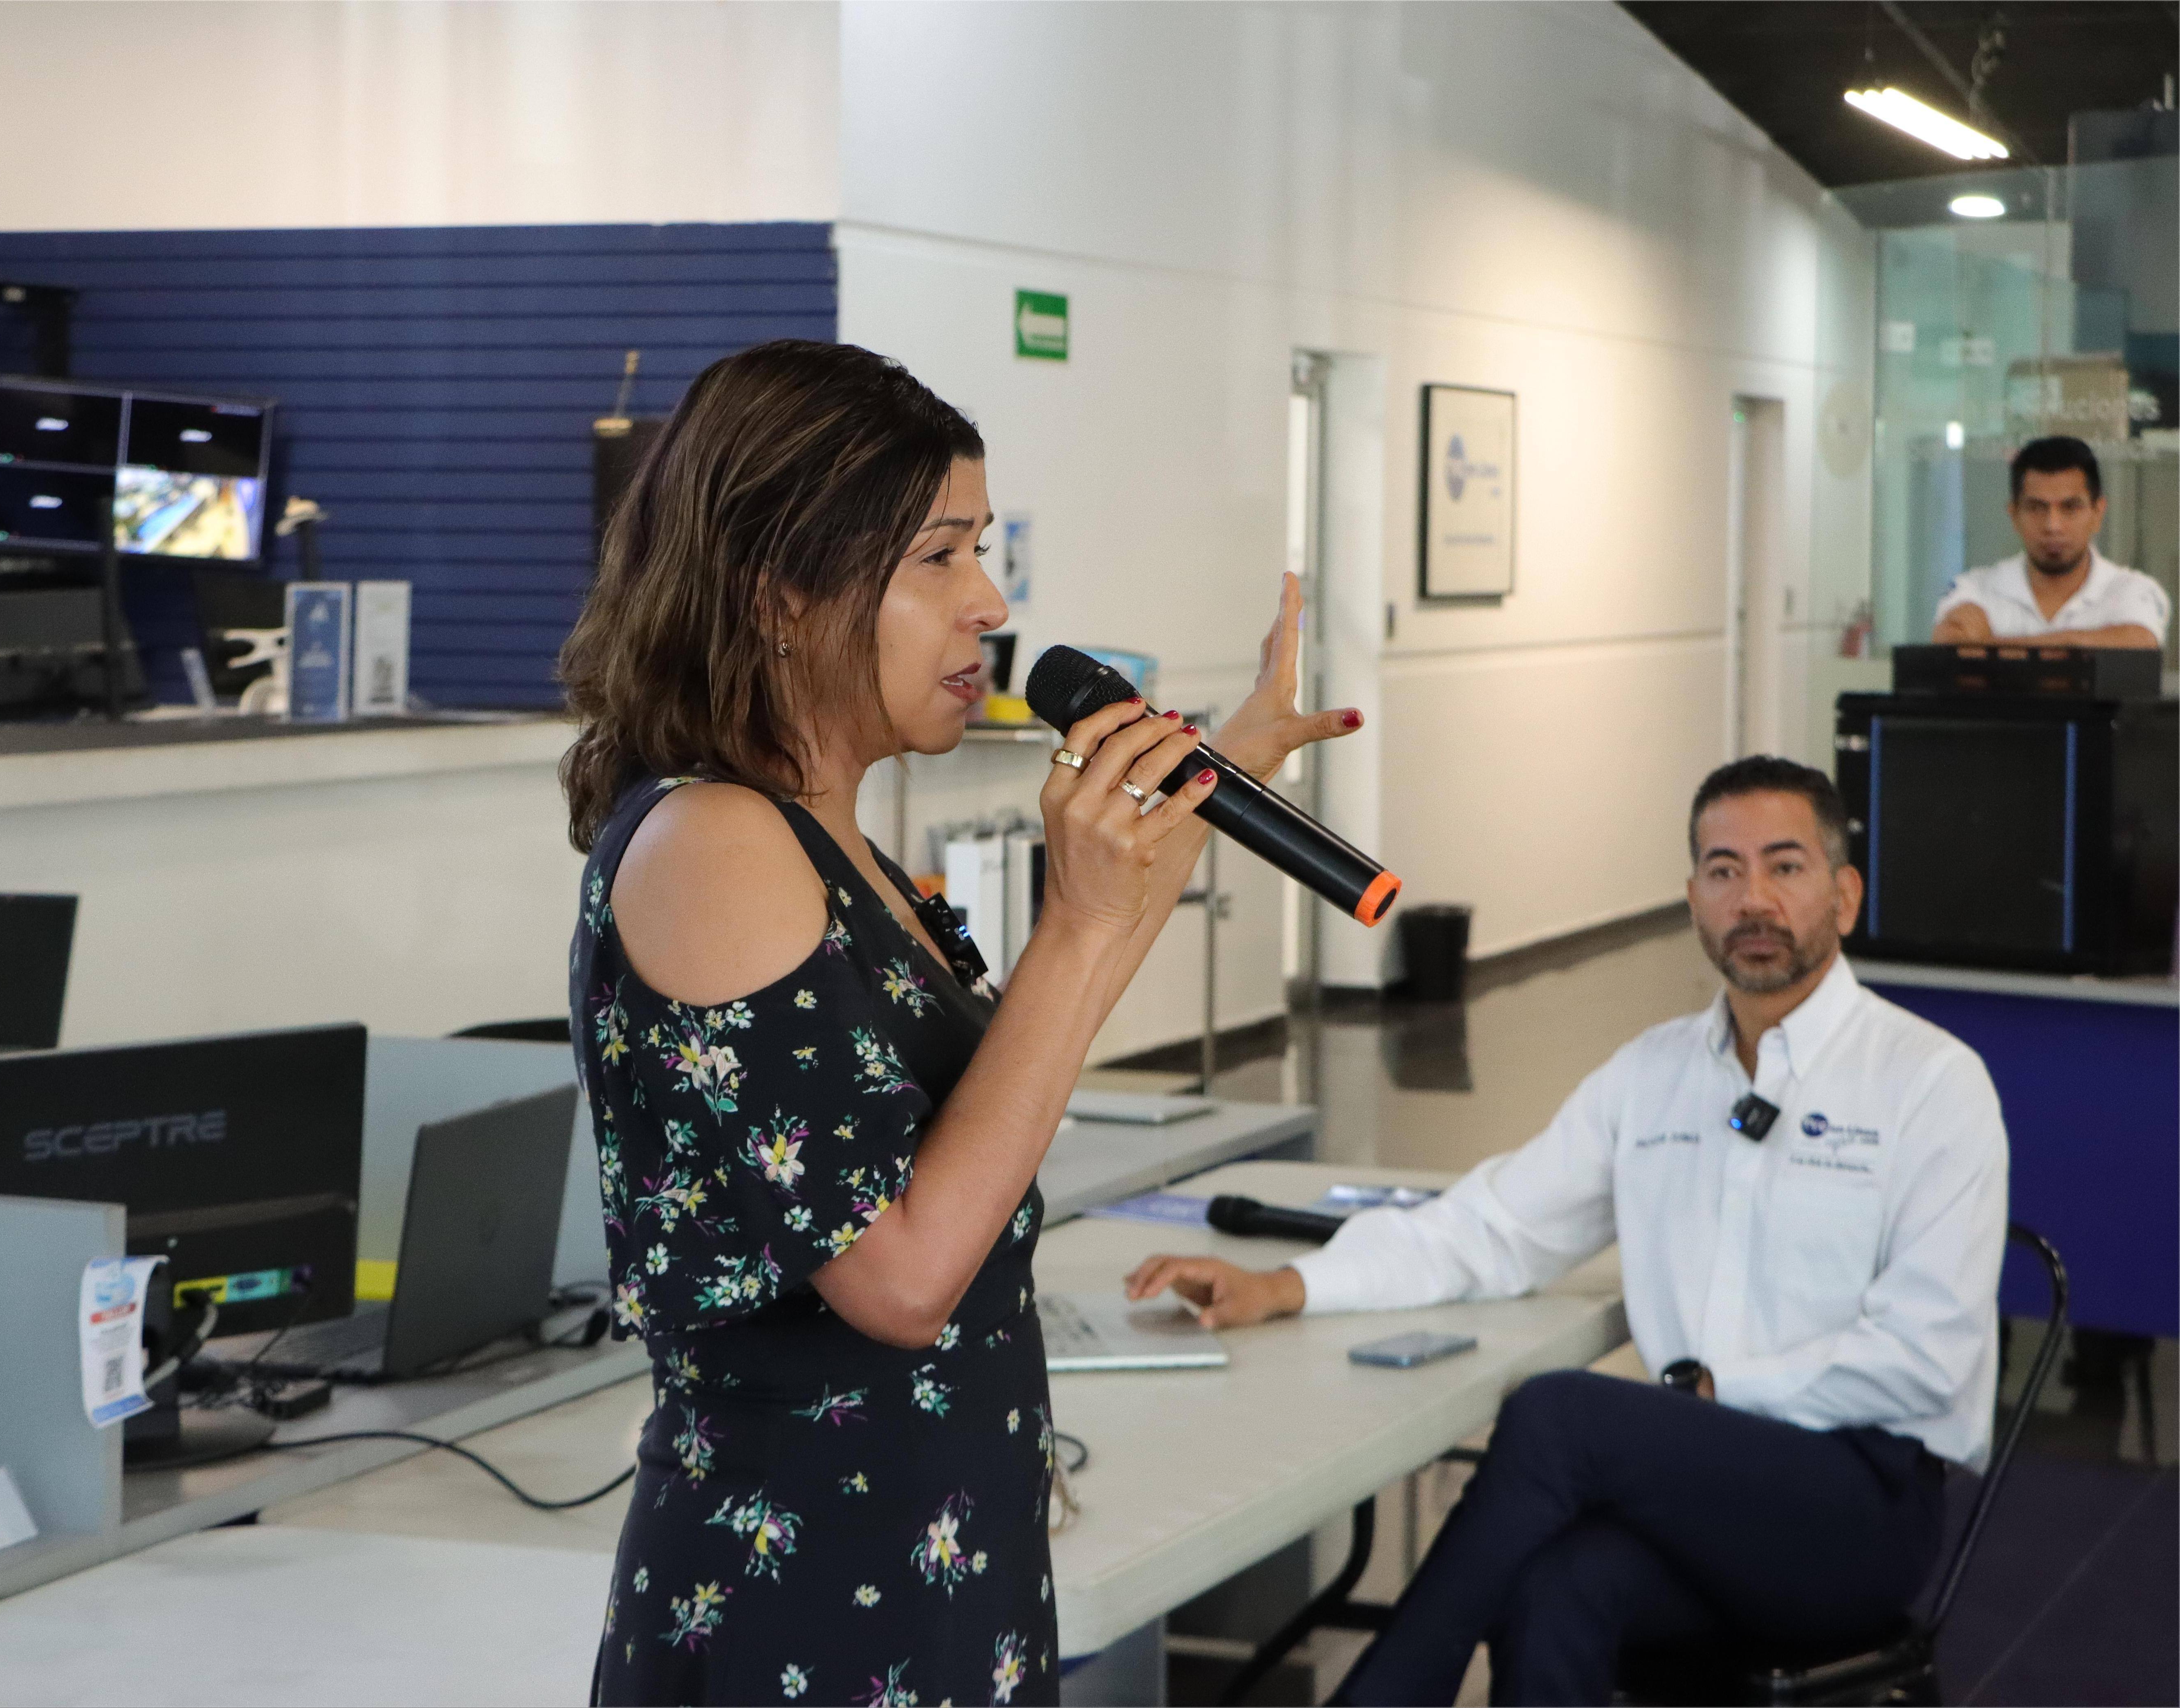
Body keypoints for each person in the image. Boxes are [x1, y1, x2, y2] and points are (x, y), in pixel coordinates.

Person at [557, 338, 1361, 1707]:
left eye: (976, 549)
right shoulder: (714, 844)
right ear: (782, 596)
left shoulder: (827, 840)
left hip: (924, 1573)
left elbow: (1015, 1069)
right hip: (803, 1604)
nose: (987, 600)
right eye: (936, 557)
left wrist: (1198, 785)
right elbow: (899, 1273)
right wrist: (1074, 922)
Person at [1127, 756, 2010, 1706]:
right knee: (1555, 1589)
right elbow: (1492, 1225)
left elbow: (1930, 1354)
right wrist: (1287, 1286)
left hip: (1856, 1505)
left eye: (1784, 866)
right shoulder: (1654, 1074)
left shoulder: (1928, 1080)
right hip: (1695, 1484)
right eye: (1721, 869)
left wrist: (1714, 1388)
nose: (1751, 897)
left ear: (1843, 892)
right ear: (1690, 898)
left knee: (1563, 1414)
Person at [1930, 435, 2168, 649]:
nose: (2053, 526)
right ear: (2014, 515)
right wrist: (2082, 650)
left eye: (2071, 508)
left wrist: (1991, 650)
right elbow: (1953, 651)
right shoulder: (1974, 589)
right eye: (2036, 508)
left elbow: (2138, 646)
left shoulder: (2135, 591)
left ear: (2098, 513)